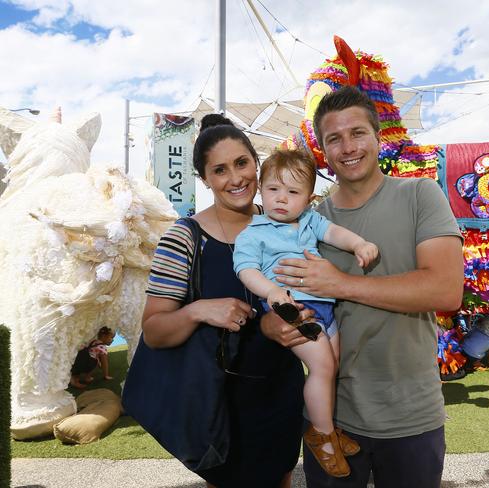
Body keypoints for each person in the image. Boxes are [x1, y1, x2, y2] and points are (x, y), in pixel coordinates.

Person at [264, 86, 464, 488]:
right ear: (322, 149)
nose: (348, 147)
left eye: (357, 133)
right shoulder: (309, 220)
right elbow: (276, 288)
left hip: (411, 415)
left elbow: (445, 289)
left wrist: (342, 283)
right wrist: (271, 324)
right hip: (333, 417)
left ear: (378, 136)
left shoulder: (419, 195)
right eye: (334, 138)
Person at [141, 114, 309, 488]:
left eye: (241, 163)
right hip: (219, 403)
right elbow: (154, 331)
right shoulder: (184, 239)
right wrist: (200, 309)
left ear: (256, 162)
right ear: (206, 179)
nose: (235, 179)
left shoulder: (285, 224)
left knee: (281, 475)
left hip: (282, 392)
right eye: (220, 170)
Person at [234, 149, 376, 477]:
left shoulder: (310, 220)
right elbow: (245, 269)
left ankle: (322, 426)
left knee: (332, 366)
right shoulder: (253, 233)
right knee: (322, 366)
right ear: (260, 188)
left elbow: (334, 234)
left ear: (308, 198)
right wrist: (270, 291)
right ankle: (322, 438)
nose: (281, 198)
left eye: (293, 192)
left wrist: (358, 244)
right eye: (273, 189)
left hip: (325, 306)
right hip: (293, 307)